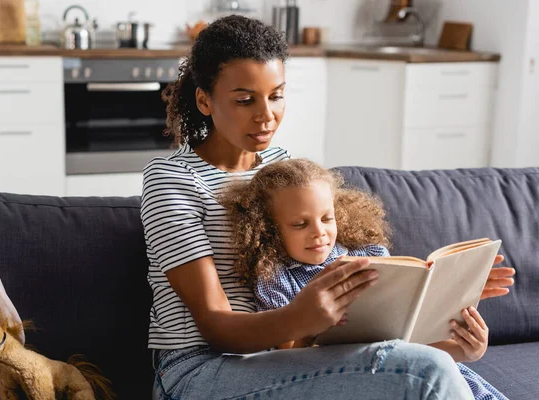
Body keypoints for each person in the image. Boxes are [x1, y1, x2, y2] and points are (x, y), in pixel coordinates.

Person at [140, 14, 515, 399]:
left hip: (289, 356)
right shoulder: (173, 179)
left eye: (276, 95)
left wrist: (446, 294)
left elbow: (323, 271)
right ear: (204, 99)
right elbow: (215, 326)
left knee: (424, 365)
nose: (266, 115)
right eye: (244, 100)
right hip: (201, 370)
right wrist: (298, 317)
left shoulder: (280, 166)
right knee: (425, 373)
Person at [218, 157, 510, 400]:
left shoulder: (371, 256)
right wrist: (314, 320)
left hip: (417, 369)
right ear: (268, 230)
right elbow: (293, 359)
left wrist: (467, 349)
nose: (319, 232)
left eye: (327, 218)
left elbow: (410, 346)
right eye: (299, 224)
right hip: (357, 379)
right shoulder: (275, 278)